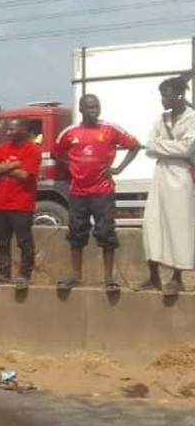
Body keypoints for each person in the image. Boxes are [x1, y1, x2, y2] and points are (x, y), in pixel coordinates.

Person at [53, 94, 141, 292]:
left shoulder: (110, 129)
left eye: (97, 107)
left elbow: (134, 145)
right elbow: (55, 153)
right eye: (90, 107)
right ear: (81, 110)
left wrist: (118, 169)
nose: (94, 111)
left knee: (106, 232)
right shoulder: (70, 132)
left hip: (103, 191)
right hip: (78, 191)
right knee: (76, 233)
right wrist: (72, 166)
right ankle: (75, 275)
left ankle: (109, 277)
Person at [139, 76, 195, 296]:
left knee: (177, 226)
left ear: (179, 95)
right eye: (162, 95)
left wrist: (160, 145)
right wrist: (168, 146)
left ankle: (176, 278)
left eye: (167, 95)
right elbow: (148, 147)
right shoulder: (161, 119)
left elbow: (186, 149)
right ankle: (153, 277)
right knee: (152, 224)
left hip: (181, 177)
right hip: (160, 176)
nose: (163, 100)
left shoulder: (192, 118)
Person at [0, 118, 41, 290]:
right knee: (1, 241)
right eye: (7, 129)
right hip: (0, 203)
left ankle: (24, 275)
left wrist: (4, 166)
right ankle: (4, 274)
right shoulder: (3, 148)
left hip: (21, 204)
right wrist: (15, 164)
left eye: (11, 129)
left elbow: (25, 176)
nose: (8, 132)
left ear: (23, 129)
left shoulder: (32, 150)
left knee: (24, 241)